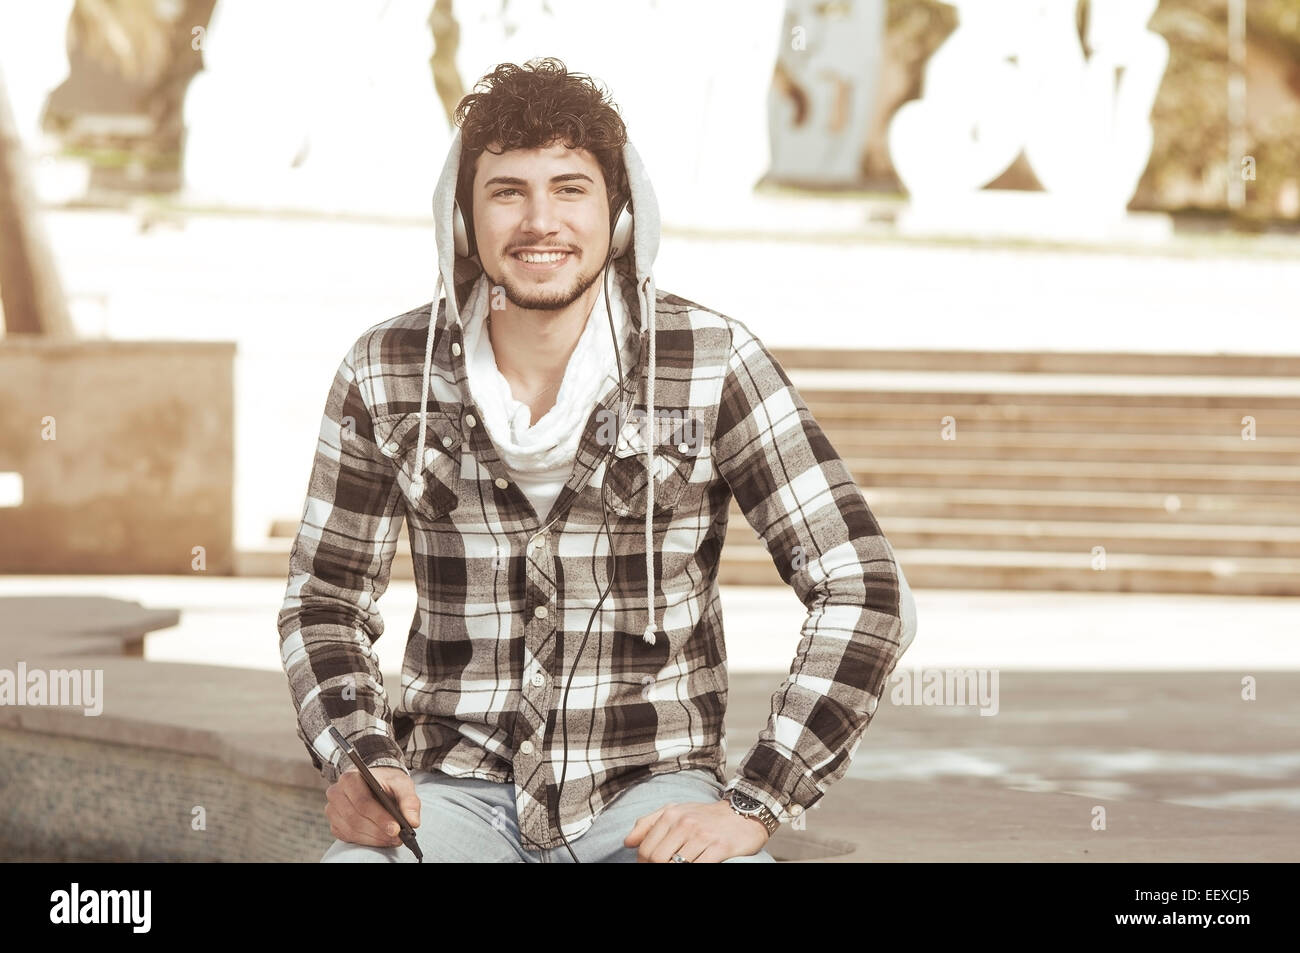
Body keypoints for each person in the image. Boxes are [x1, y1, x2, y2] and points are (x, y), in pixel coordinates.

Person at [277, 57, 917, 864]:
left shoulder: (711, 360)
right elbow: (325, 598)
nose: (541, 221)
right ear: (465, 222)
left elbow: (865, 586)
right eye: (508, 190)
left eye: (570, 188)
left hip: (649, 791)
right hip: (451, 794)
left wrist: (758, 799)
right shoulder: (386, 368)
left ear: (619, 216)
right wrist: (357, 755)